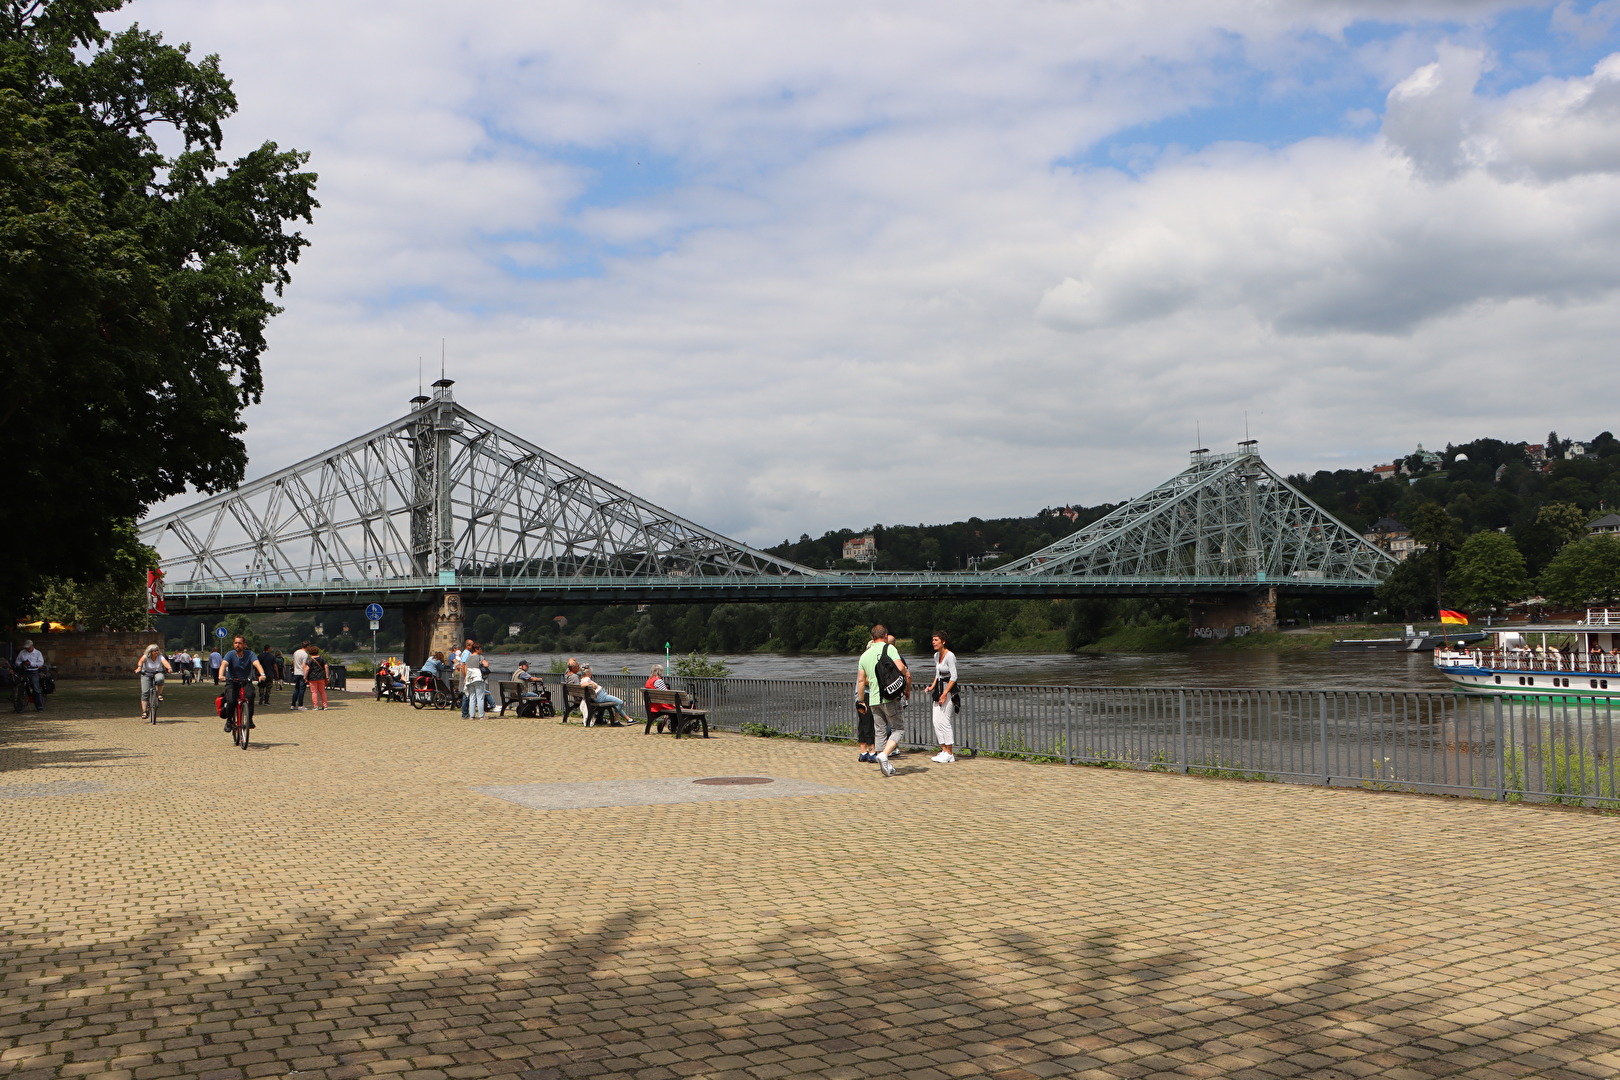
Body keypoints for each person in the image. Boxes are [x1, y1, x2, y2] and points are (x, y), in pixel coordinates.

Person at [856, 624, 909, 776]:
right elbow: (901, 668)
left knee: (879, 732)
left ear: (872, 638)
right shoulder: (889, 649)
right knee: (898, 728)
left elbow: (861, 681)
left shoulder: (864, 655)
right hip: (890, 696)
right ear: (885, 636)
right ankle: (884, 755)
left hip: (873, 699)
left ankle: (884, 765)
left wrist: (861, 701)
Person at [217, 636, 266, 732]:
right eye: (235, 643)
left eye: (239, 643)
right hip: (232, 681)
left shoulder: (250, 654)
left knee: (250, 696)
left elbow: (257, 664)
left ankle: (249, 719)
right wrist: (221, 675)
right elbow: (224, 664)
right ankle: (229, 721)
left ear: (244, 645)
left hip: (245, 681)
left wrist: (262, 674)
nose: (237, 645)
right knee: (231, 700)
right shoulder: (230, 654)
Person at [926, 631, 959, 763]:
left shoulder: (950, 656)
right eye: (933, 640)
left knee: (945, 721)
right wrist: (932, 687)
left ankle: (950, 753)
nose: (933, 642)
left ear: (943, 642)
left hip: (949, 691)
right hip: (938, 690)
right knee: (936, 721)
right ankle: (944, 750)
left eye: (936, 640)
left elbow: (954, 676)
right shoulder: (936, 655)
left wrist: (945, 694)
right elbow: (938, 674)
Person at [134, 644, 172, 720]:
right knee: (145, 692)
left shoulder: (160, 657)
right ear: (150, 652)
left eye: (157, 650)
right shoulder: (146, 656)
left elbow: (165, 662)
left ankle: (159, 694)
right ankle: (144, 711)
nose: (157, 652)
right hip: (146, 674)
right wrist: (139, 668)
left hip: (157, 672)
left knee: (160, 679)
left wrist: (169, 668)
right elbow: (141, 661)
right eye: (155, 651)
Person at [13, 639, 45, 712]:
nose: (27, 649)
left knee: (36, 688)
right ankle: (19, 707)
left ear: (32, 646)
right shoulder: (22, 652)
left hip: (33, 671)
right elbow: (17, 661)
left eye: (28, 647)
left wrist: (31, 664)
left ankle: (39, 706)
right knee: (21, 689)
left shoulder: (37, 653)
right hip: (24, 671)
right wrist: (22, 664)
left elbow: (41, 663)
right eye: (26, 648)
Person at [645, 664, 675, 732]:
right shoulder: (658, 681)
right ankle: (676, 727)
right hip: (660, 705)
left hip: (652, 705)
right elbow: (666, 694)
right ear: (659, 672)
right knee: (681, 707)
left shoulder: (649, 681)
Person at [463, 645, 490, 718]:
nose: (482, 650)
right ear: (476, 649)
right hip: (477, 677)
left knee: (472, 697)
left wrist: (465, 677)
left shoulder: (468, 658)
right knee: (480, 697)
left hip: (469, 678)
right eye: (480, 649)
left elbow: (465, 668)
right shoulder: (479, 657)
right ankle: (481, 715)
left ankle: (472, 715)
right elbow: (486, 664)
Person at [305, 645, 330, 710]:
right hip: (321, 677)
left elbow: (307, 669)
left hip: (312, 677)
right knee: (322, 692)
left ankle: (316, 706)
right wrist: (327, 676)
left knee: (314, 692)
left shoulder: (309, 659)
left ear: (310, 652)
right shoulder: (322, 658)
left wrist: (305, 677)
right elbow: (326, 667)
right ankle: (325, 706)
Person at [289, 641, 310, 711]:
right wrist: (305, 676)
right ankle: (300, 705)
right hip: (301, 673)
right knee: (302, 690)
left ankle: (292, 705)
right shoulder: (305, 655)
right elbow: (304, 665)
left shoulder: (296, 652)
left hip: (296, 672)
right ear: (307, 646)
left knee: (296, 689)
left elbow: (294, 662)